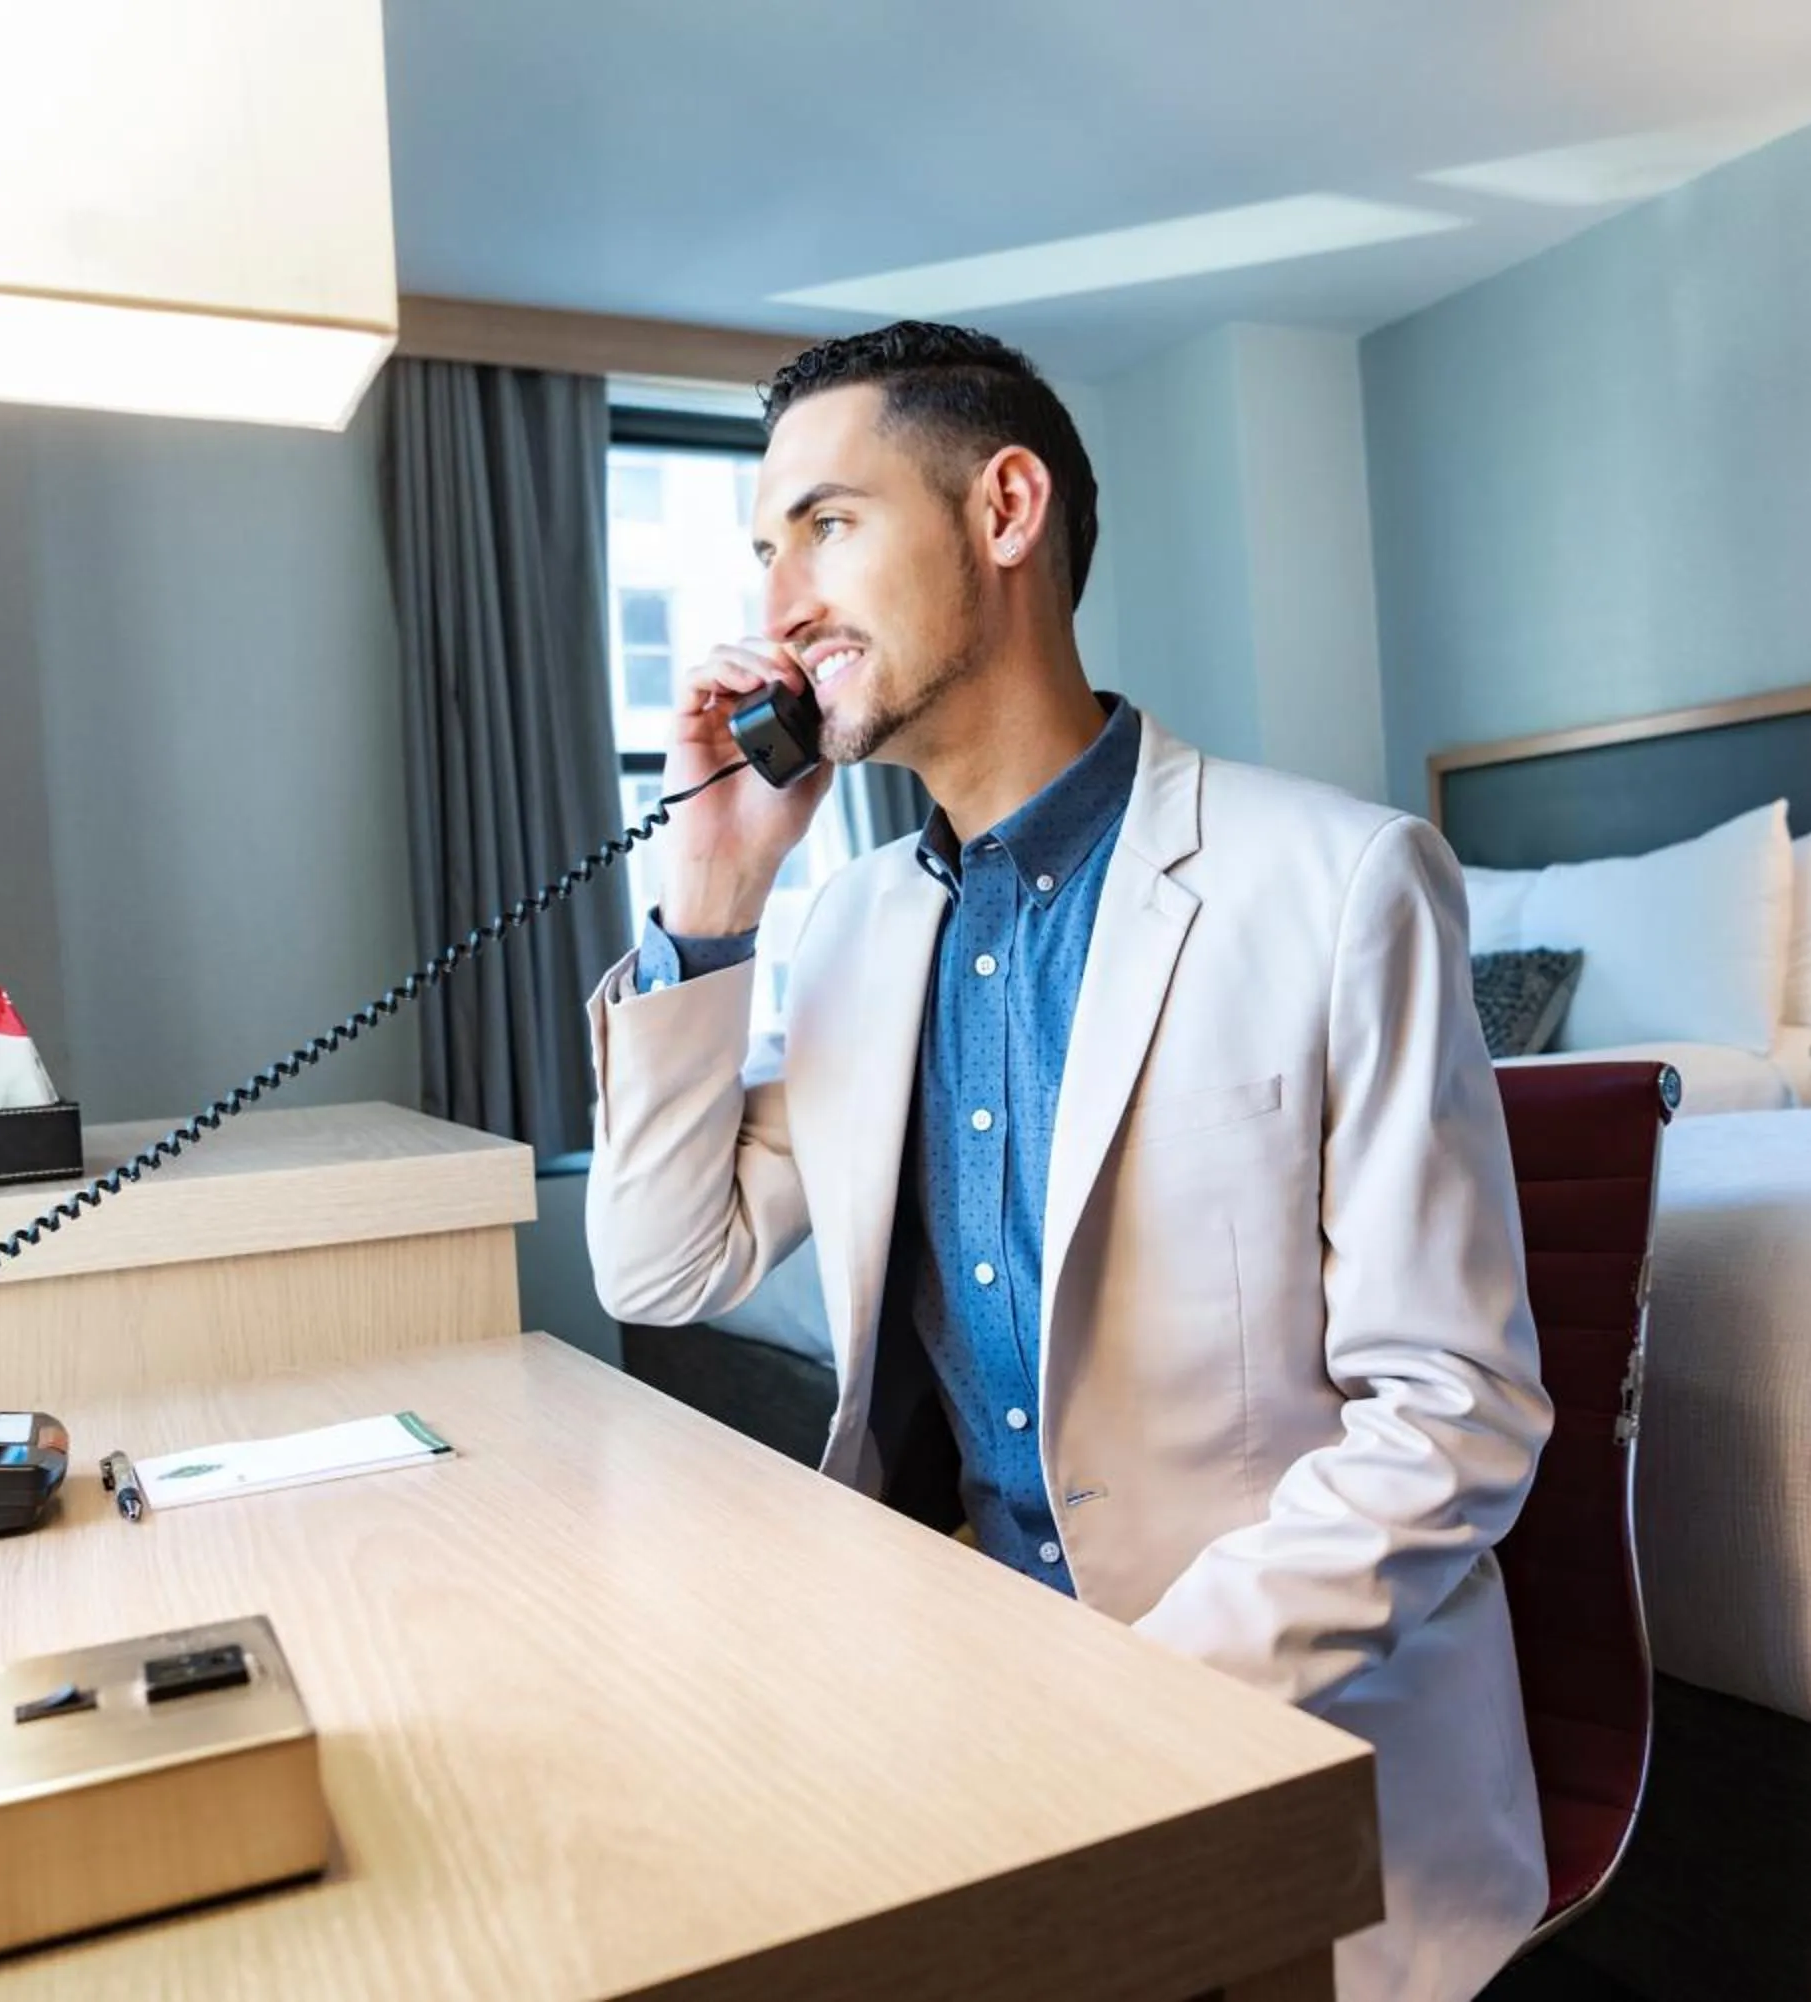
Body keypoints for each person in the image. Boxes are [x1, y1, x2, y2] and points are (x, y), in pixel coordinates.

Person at [583, 321, 1550, 2001]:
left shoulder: (1341, 882)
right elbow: (661, 1267)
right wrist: (713, 897)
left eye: (825, 525)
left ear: (1006, 508)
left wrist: (1115, 1711)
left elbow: (1456, 1415)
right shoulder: (859, 925)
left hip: (1274, 1749)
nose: (780, 604)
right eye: (762, 551)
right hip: (955, 1698)